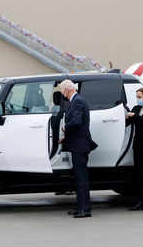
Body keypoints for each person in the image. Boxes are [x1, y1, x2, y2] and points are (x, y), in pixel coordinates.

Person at [59, 79, 98, 218]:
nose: (62, 94)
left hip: (80, 145)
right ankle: (81, 207)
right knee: (78, 178)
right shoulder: (76, 101)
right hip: (77, 143)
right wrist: (66, 137)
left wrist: (65, 128)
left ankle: (85, 209)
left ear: (67, 90)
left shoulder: (78, 101)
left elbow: (76, 121)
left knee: (81, 178)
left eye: (62, 91)